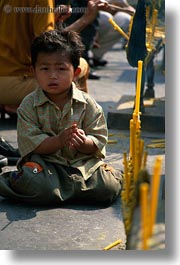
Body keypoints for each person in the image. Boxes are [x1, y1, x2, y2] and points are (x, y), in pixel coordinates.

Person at [0, 29, 123, 205]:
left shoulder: (88, 104)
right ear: (33, 70)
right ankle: (71, 189)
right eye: (45, 68)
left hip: (82, 165)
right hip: (45, 165)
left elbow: (98, 141)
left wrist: (84, 142)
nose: (52, 75)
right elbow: (30, 143)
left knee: (108, 189)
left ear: (76, 72)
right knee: (35, 183)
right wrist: (59, 141)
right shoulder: (28, 105)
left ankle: (71, 188)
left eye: (61, 68)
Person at [0, 0, 101, 118]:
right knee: (80, 65)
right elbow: (49, 48)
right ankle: (77, 120)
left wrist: (51, 19)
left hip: (8, 82)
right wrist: (85, 20)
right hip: (16, 84)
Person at [91, 0, 135, 66]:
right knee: (106, 18)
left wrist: (124, 6)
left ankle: (95, 55)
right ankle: (84, 55)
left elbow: (131, 11)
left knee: (125, 19)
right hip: (84, 14)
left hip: (103, 15)